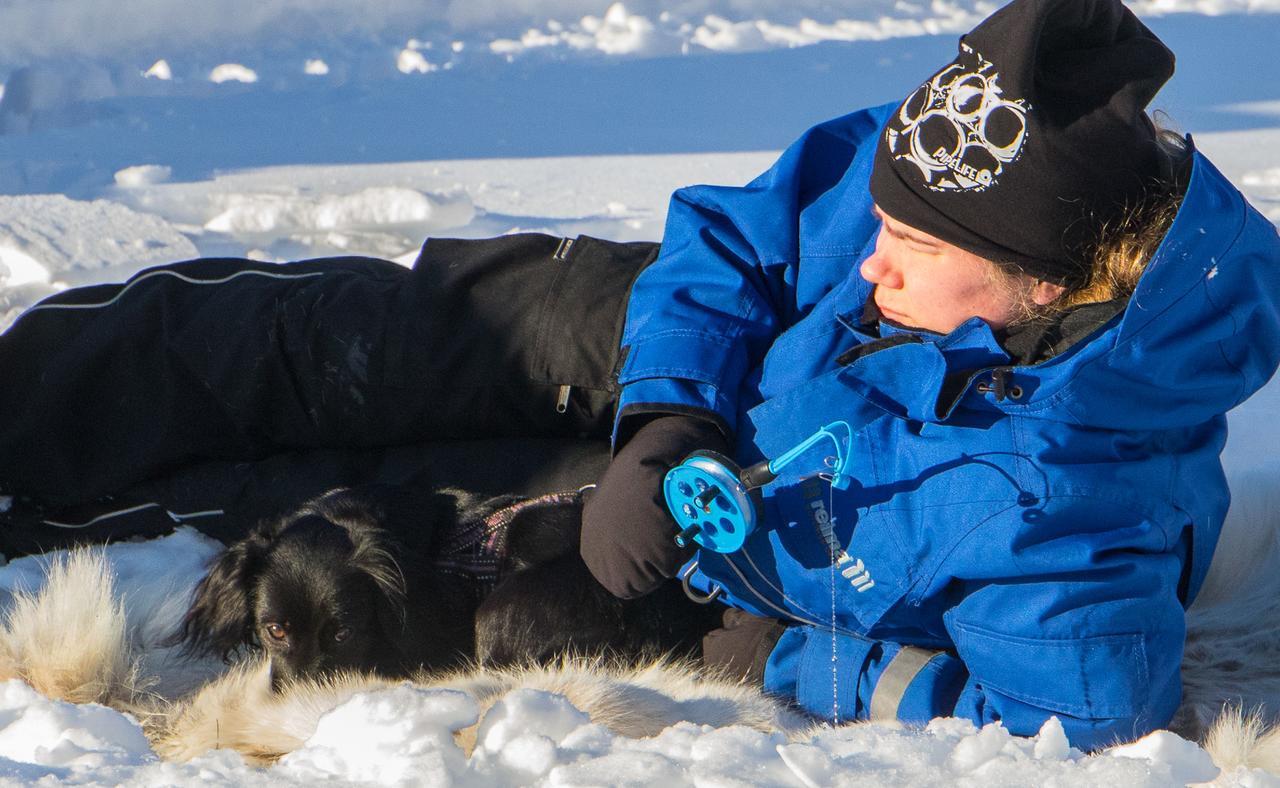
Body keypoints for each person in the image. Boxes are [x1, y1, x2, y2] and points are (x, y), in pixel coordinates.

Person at [0, 0, 1277, 752]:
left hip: (734, 538)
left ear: (1044, 284)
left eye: (913, 245)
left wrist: (770, 646)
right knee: (328, 336)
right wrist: (668, 411)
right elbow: (737, 235)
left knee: (348, 518)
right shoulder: (964, 175)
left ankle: (53, 525)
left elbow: (1070, 723)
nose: (871, 255)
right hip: (696, 365)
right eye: (883, 219)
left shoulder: (1071, 518)